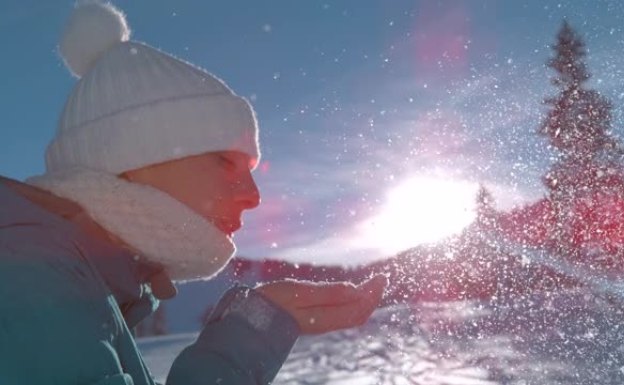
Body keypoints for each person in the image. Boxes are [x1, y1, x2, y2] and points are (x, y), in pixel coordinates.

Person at [0, 3, 387, 384]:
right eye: (223, 161)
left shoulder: (71, 278)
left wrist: (259, 323)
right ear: (129, 158)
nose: (253, 196)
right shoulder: (31, 283)